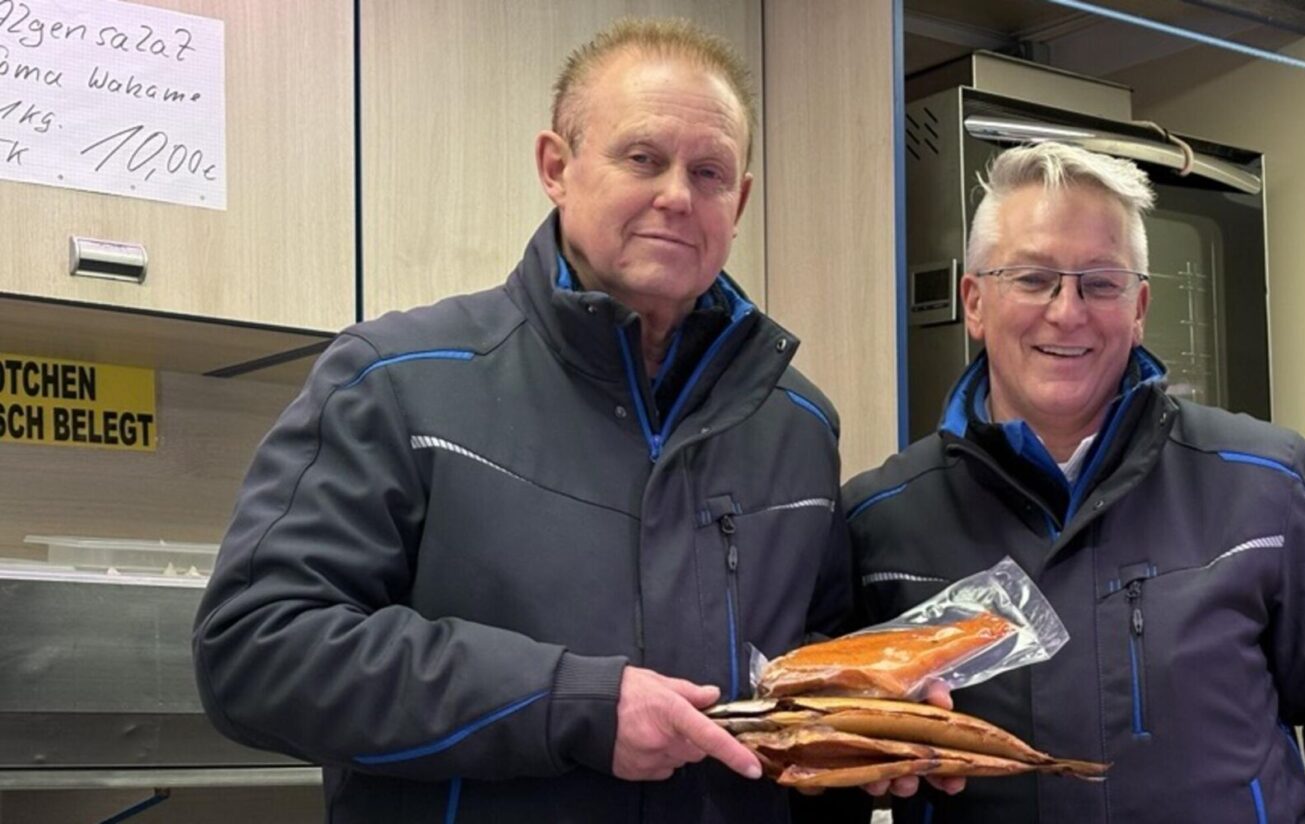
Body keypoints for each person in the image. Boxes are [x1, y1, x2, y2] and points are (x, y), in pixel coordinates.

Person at [194, 18, 858, 823]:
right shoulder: (396, 380)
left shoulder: (797, 425)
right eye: (642, 158)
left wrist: (868, 723)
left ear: (740, 200)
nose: (677, 197)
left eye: (709, 172)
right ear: (556, 167)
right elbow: (258, 650)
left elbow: (814, 664)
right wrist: (568, 703)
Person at [841, 142, 1305, 822]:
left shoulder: (1264, 485)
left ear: (1139, 307)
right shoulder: (881, 521)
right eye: (1032, 278)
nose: (1067, 311)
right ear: (975, 302)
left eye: (1101, 283)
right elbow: (811, 757)